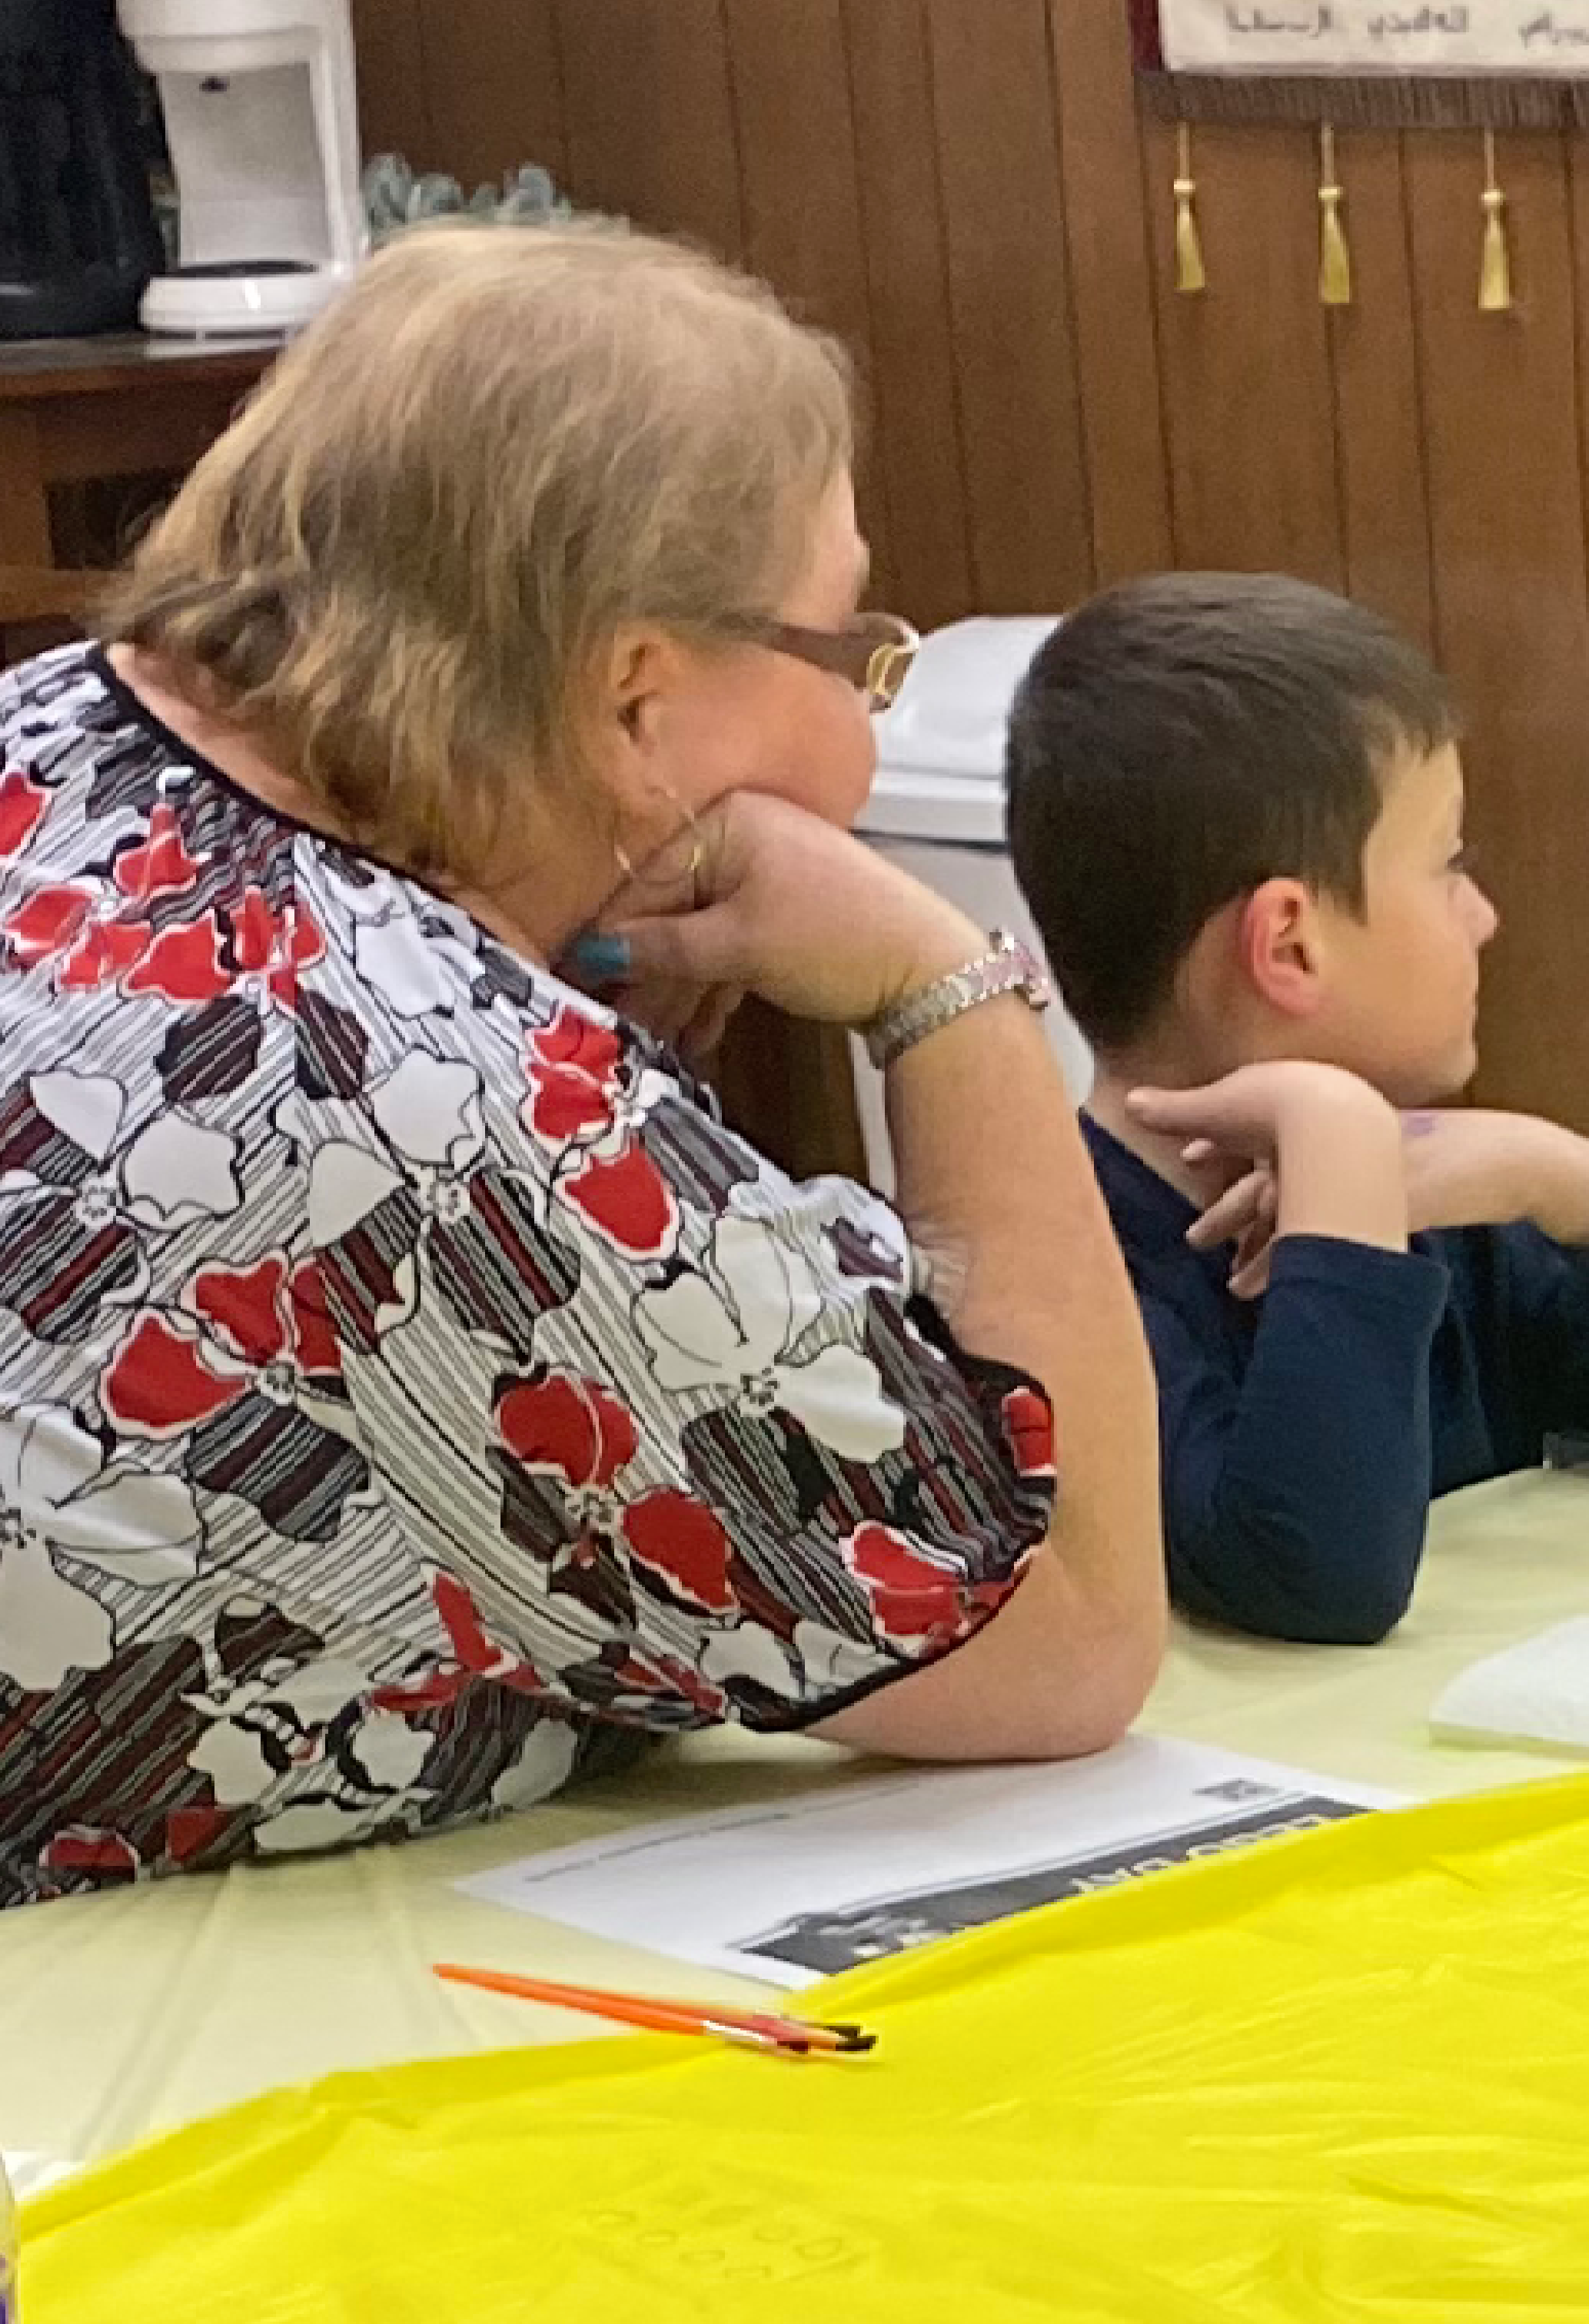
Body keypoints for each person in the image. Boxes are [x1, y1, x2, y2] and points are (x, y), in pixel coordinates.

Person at [0, 221, 1162, 1906]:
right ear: (633, 705)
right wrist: (945, 992)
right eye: (850, 654)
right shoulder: (437, 1086)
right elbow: (1069, 1630)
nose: (860, 735)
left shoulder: (48, 732)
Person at [1003, 573, 1589, 1646]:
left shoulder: (1458, 1216)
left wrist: (1582, 1187)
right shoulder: (1065, 1288)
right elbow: (1319, 1577)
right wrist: (1339, 1161)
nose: (1483, 915)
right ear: (1291, 945)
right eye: (1447, 867)